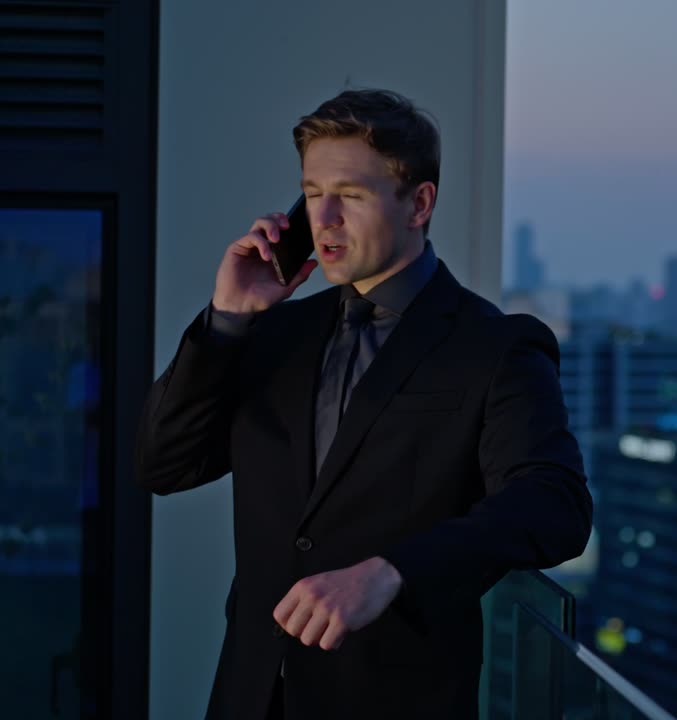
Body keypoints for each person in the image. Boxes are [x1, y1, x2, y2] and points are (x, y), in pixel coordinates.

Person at [135, 88, 592, 719]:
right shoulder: (272, 333)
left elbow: (556, 503)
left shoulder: (495, 345)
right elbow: (163, 465)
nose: (323, 220)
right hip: (251, 697)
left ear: (419, 203)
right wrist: (227, 320)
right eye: (312, 192)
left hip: (395, 701)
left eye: (348, 195)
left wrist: (392, 571)